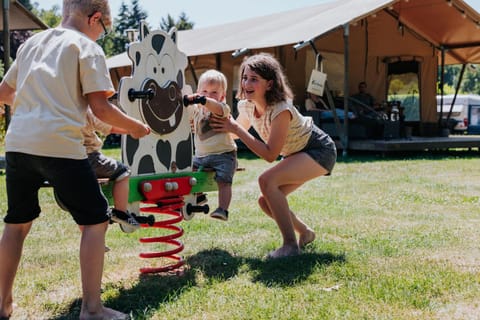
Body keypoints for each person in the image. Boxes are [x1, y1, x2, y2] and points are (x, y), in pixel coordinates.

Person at [0, 1, 150, 319]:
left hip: (18, 144)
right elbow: (102, 110)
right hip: (59, 145)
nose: (101, 35)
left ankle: (2, 305)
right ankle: (92, 310)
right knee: (95, 221)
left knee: (16, 224)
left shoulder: (31, 44)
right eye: (103, 29)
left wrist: (35, 101)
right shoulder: (86, 47)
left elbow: (4, 92)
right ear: (94, 18)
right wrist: (136, 127)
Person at [210, 53, 337, 259]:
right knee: (265, 201)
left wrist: (237, 129)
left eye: (254, 79)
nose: (246, 83)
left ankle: (290, 246)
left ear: (269, 84)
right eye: (245, 77)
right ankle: (305, 232)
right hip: (297, 153)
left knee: (266, 180)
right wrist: (208, 124)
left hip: (318, 149)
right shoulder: (246, 105)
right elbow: (234, 133)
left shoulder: (281, 110)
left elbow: (270, 154)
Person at [184, 70, 237, 221]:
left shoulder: (222, 109)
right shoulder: (197, 111)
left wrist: (204, 100)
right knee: (187, 170)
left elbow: (216, 107)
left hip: (224, 155)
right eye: (205, 91)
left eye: (214, 92)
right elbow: (186, 112)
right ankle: (199, 197)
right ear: (198, 92)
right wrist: (187, 100)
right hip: (201, 156)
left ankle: (223, 209)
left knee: (224, 181)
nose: (208, 95)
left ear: (222, 96)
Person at [82, 108, 139, 233]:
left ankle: (90, 239)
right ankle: (120, 212)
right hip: (89, 157)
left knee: (81, 203)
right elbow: (108, 127)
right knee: (123, 172)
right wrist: (133, 129)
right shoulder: (84, 109)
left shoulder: (55, 109)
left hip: (67, 158)